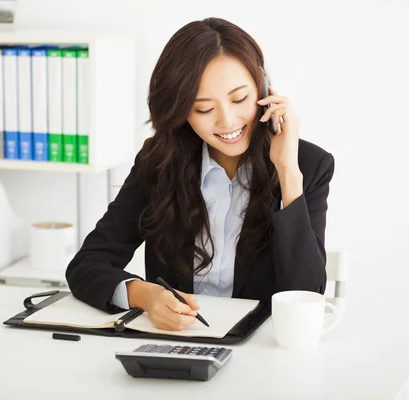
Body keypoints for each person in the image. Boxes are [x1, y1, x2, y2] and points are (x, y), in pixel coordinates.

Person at [66, 17, 335, 331]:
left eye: (239, 99)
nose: (227, 121)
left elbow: (306, 295)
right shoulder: (158, 161)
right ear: (180, 111)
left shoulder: (308, 164)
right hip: (173, 346)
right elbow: (86, 265)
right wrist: (143, 295)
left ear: (263, 88)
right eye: (203, 109)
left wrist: (288, 172)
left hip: (262, 351)